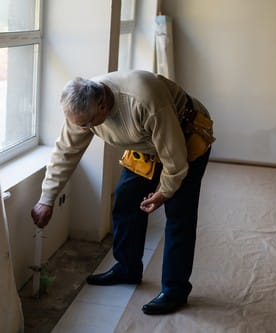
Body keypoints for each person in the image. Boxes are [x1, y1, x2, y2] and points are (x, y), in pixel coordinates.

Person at [30, 70, 214, 315]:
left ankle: (175, 290)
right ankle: (128, 268)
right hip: (145, 143)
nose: (83, 129)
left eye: (87, 125)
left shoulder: (144, 101)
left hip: (185, 134)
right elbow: (66, 152)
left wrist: (164, 192)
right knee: (126, 199)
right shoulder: (82, 108)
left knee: (179, 213)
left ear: (103, 106)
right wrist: (47, 199)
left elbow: (176, 161)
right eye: (79, 124)